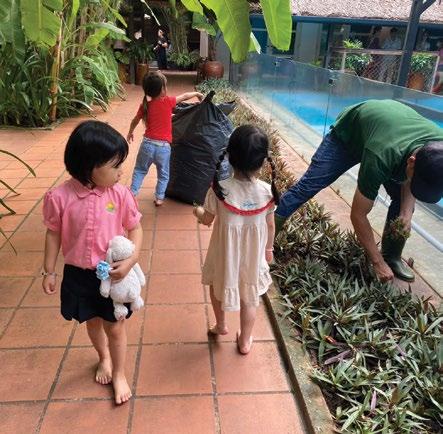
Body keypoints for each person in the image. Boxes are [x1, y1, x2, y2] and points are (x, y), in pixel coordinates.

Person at [274, 100, 443, 283]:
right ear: (411, 162)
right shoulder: (382, 155)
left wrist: (406, 214)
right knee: (308, 186)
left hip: (388, 133)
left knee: (403, 205)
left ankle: (391, 256)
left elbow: (413, 177)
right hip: (350, 134)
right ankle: (264, 240)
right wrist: (376, 262)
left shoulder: (438, 148)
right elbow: (358, 215)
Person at [42, 121, 143, 405]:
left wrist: (132, 259)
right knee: (93, 322)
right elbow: (53, 234)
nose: (121, 172)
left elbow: (135, 228)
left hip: (113, 274)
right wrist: (49, 271)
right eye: (115, 166)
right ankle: (104, 357)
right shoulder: (60, 198)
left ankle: (119, 373)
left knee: (116, 326)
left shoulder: (119, 195)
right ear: (90, 167)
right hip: (79, 275)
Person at [193, 125, 279, 355]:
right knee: (250, 296)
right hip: (253, 257)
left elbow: (207, 219)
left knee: (216, 286)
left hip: (224, 255)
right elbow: (270, 225)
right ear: (263, 161)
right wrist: (268, 249)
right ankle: (245, 340)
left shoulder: (220, 190)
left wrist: (197, 211)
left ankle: (221, 325)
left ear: (229, 156)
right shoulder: (267, 192)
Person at [127, 72, 203, 206]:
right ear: (162, 89)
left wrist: (130, 132)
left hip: (147, 145)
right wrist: (197, 94)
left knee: (140, 170)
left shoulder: (145, 105)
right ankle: (159, 198)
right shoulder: (168, 102)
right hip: (163, 148)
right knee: (163, 174)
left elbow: (135, 120)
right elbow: (185, 96)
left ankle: (132, 194)